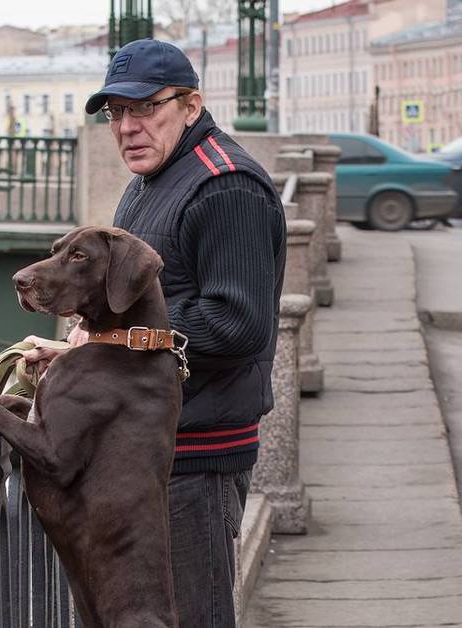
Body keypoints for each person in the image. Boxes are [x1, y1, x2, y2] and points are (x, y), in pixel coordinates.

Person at [23, 38, 286, 627]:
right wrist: (77, 346)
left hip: (194, 459)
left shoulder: (226, 186)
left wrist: (108, 344)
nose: (127, 127)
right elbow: (131, 318)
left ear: (191, 105)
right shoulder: (153, 182)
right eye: (116, 112)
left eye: (145, 108)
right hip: (145, 456)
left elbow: (236, 323)